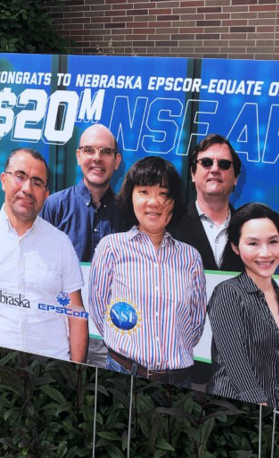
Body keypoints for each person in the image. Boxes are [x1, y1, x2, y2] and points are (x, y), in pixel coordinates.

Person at [88, 156, 206, 386]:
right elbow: (98, 307)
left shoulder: (190, 257)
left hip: (178, 381)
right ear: (131, 196)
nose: (154, 202)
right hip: (122, 375)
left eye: (163, 193)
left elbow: (195, 323)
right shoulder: (111, 247)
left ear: (174, 201)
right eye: (143, 191)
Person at [0, 148, 88, 363]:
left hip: (51, 367)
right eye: (20, 176)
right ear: (3, 179)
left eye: (36, 182)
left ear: (46, 194)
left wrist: (77, 371)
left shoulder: (61, 242)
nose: (27, 188)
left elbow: (76, 313)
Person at [207, 203, 279, 413]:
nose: (265, 253)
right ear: (236, 247)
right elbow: (237, 366)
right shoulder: (227, 293)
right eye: (253, 243)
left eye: (273, 242)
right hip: (231, 414)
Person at [41, 123, 123, 366]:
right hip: (59, 329)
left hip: (110, 338)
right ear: (78, 156)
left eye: (105, 152)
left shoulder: (128, 213)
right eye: (89, 150)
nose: (97, 158)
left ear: (116, 161)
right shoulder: (54, 207)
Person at [169, 134, 243, 272]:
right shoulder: (170, 224)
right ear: (192, 174)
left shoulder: (248, 228)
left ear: (236, 178)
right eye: (206, 162)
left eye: (224, 164)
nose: (215, 169)